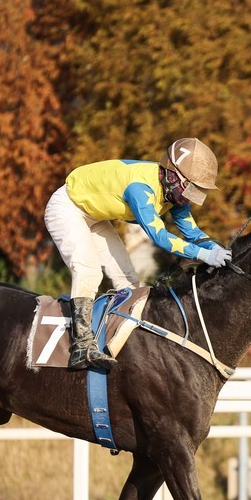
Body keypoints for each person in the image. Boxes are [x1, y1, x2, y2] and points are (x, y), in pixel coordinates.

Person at [44, 137, 232, 371]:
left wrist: (214, 247)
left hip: (95, 217)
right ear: (173, 175)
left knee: (128, 280)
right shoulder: (140, 189)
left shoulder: (175, 193)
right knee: (89, 272)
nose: (191, 197)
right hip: (67, 208)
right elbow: (160, 237)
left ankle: (124, 342)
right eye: (192, 188)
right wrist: (203, 255)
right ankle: (81, 346)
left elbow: (191, 231)